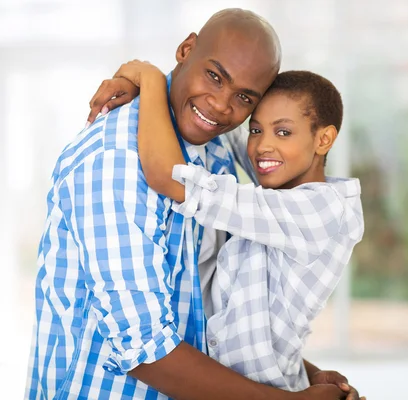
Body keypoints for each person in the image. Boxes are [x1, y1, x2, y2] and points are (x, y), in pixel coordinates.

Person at [27, 8, 359, 400]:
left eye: (243, 98)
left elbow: (220, 317)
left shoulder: (213, 144)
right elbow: (143, 348)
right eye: (215, 76)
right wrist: (147, 76)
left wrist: (303, 376)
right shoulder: (115, 160)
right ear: (186, 49)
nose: (220, 105)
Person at [95, 60, 364, 392]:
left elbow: (170, 176)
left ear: (323, 140)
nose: (263, 145)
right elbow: (224, 125)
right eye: (257, 130)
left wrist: (147, 77)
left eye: (283, 131)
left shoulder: (318, 210)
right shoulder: (281, 190)